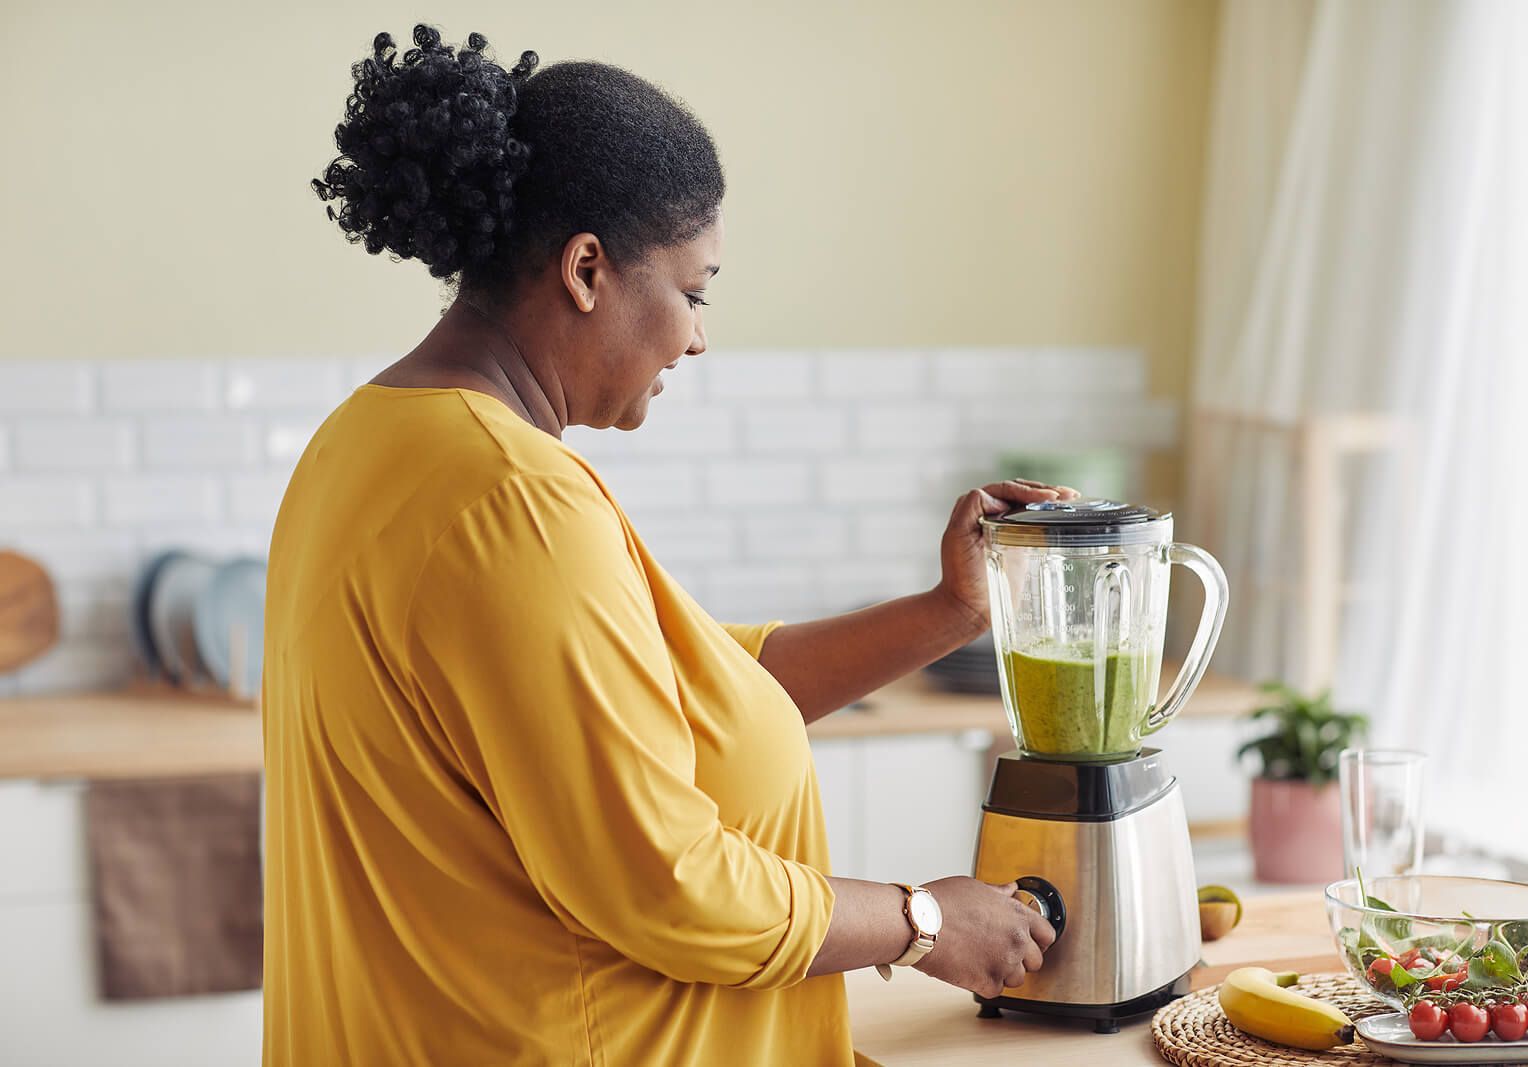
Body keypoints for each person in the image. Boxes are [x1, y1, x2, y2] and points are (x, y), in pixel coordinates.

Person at [266, 25, 1063, 1065]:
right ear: (587, 268)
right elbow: (666, 885)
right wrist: (922, 920)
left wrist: (947, 610)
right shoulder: (512, 498)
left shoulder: (365, 442)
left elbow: (682, 691)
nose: (697, 336)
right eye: (692, 290)